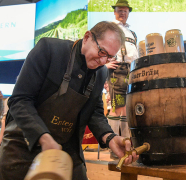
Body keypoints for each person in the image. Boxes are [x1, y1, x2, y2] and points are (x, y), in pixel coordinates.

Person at [0, 21, 138, 180]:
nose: (102, 61)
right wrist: (44, 138)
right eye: (101, 52)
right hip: (22, 147)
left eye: (109, 57)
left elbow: (94, 112)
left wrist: (110, 137)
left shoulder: (100, 73)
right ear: (87, 37)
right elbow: (20, 100)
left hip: (66, 150)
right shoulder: (49, 50)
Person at [106, 0, 138, 143]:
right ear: (115, 11)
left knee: (126, 108)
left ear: (128, 13)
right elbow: (102, 44)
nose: (123, 12)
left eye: (125, 10)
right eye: (120, 10)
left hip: (132, 70)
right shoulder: (110, 27)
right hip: (118, 70)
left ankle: (125, 143)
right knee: (117, 107)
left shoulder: (132, 33)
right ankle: (114, 144)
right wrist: (106, 63)